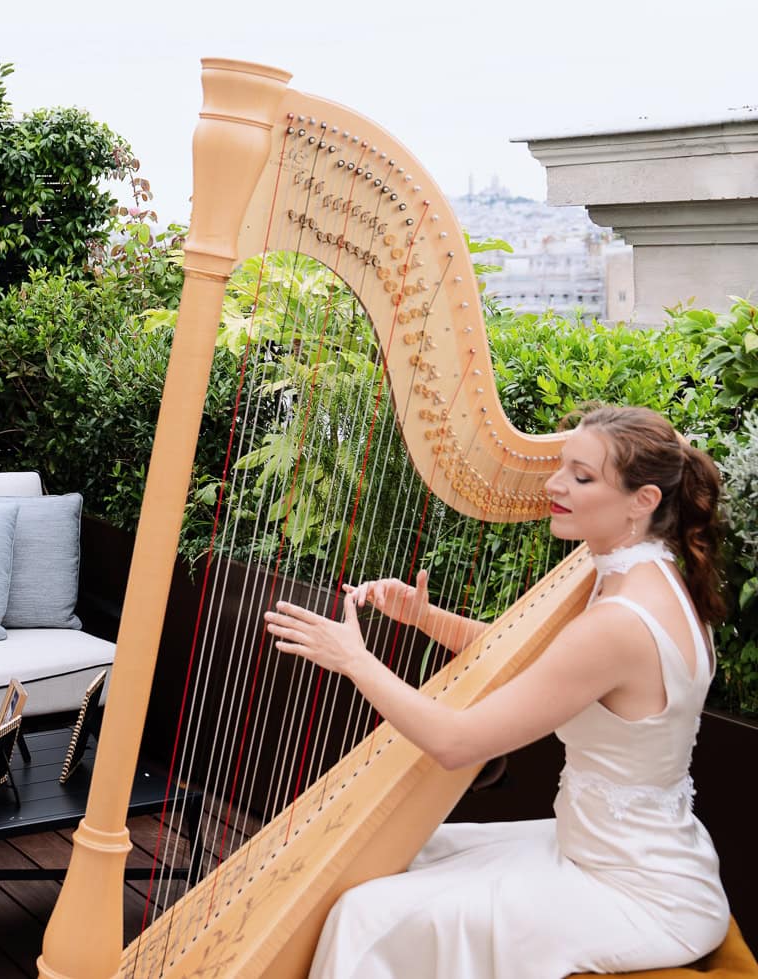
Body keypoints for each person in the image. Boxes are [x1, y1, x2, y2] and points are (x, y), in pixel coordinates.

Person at [264, 405, 730, 977]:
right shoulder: (641, 571)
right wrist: (426, 618)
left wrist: (354, 660)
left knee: (364, 911)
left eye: (582, 477)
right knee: (414, 854)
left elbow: (457, 743)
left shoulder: (620, 620)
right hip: (609, 850)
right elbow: (546, 662)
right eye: (562, 466)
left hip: (634, 892)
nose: (554, 485)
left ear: (644, 500)